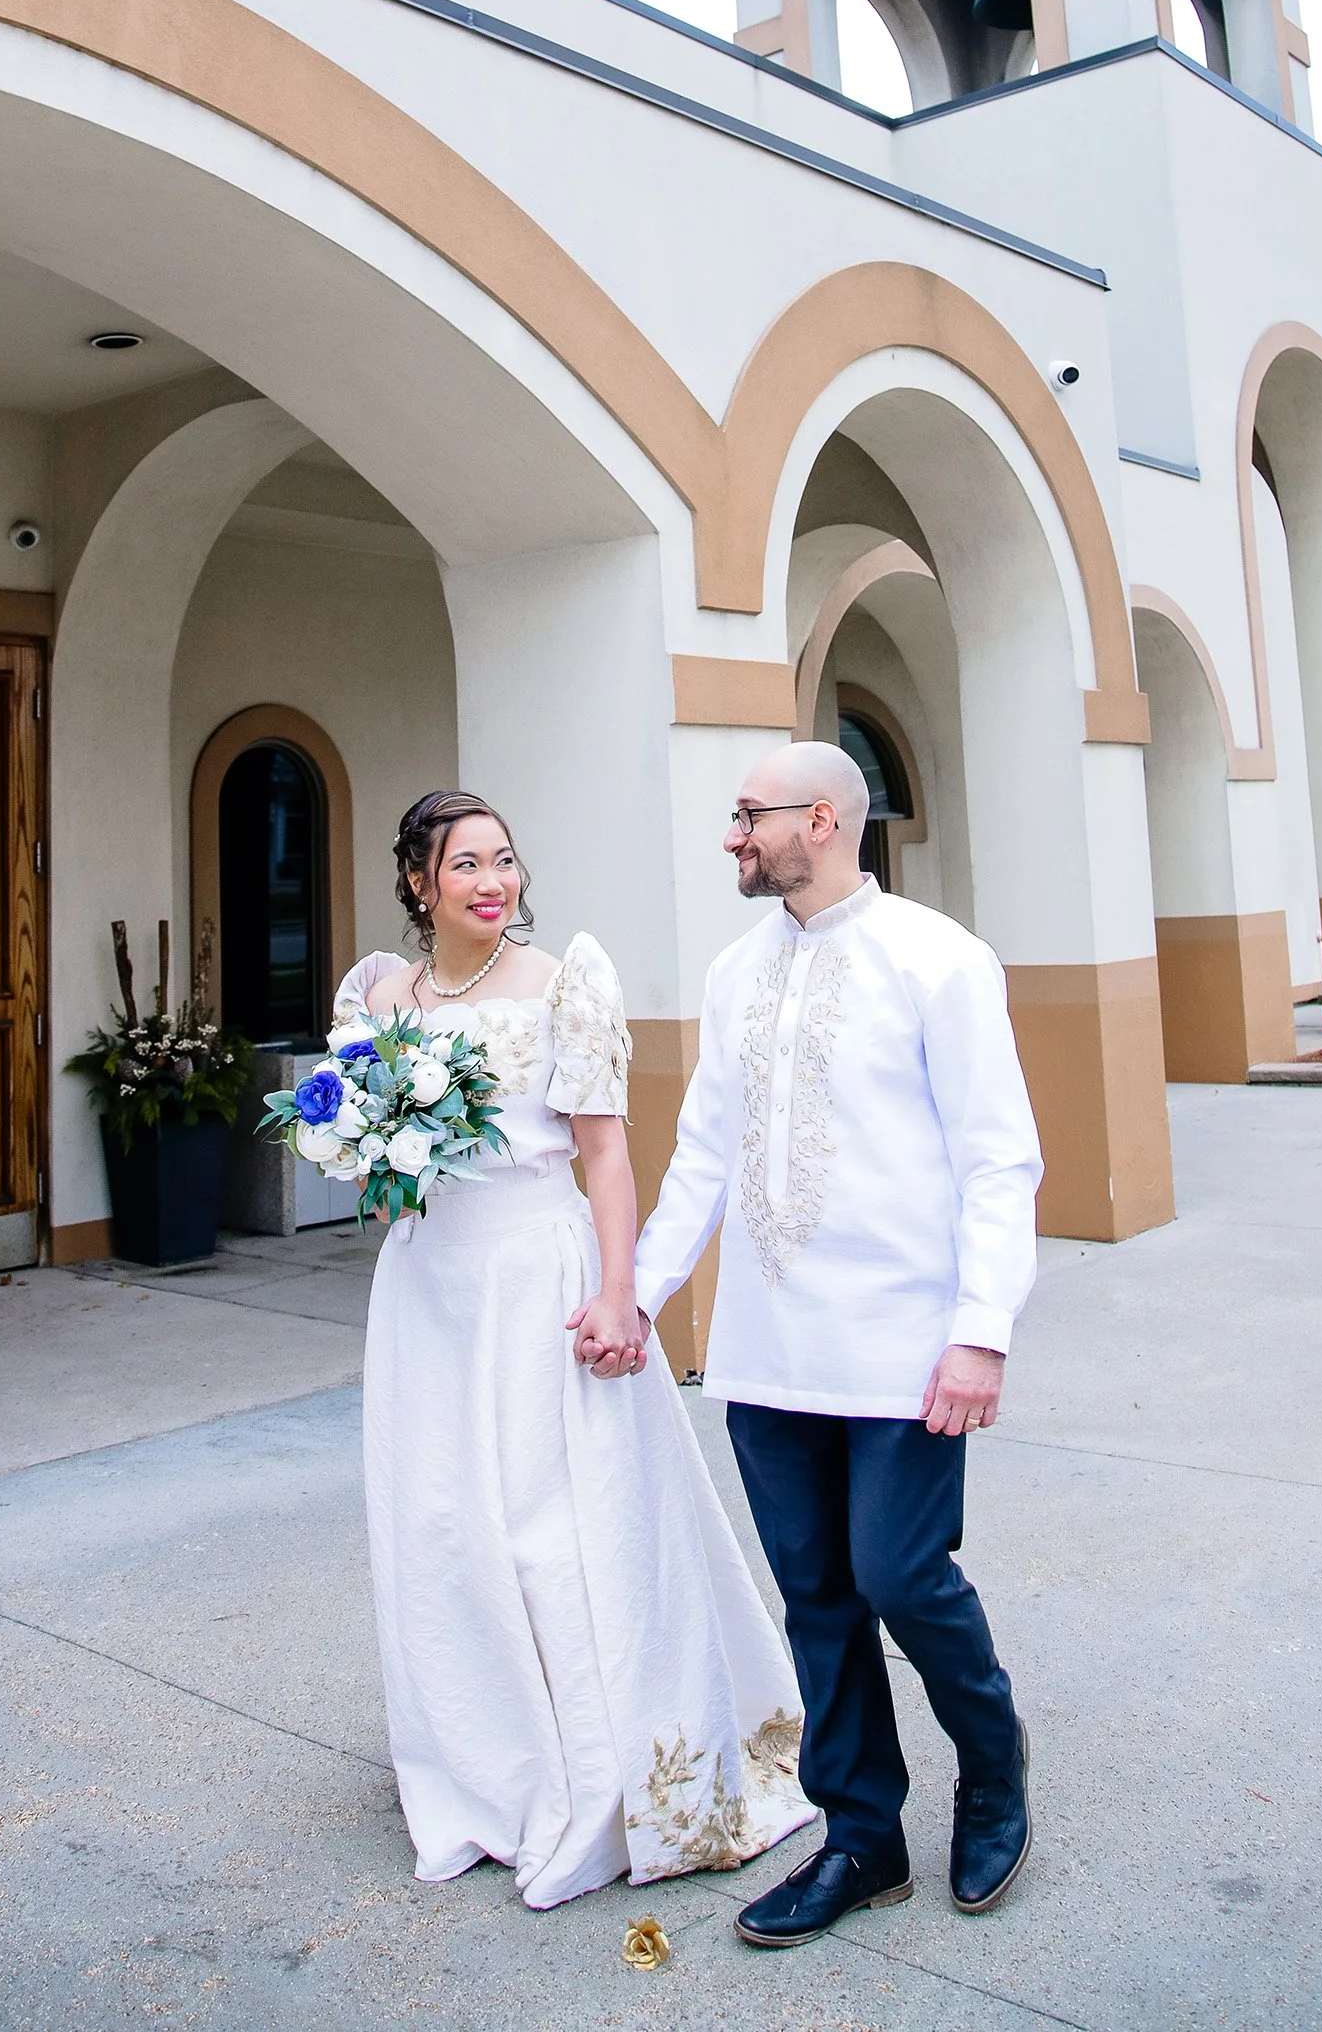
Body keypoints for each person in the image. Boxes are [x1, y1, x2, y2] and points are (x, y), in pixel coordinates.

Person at [336, 786, 813, 1911]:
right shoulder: (375, 995)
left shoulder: (564, 986)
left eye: (503, 860)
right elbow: (361, 1158)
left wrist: (619, 1295)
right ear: (418, 883)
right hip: (427, 1286)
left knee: (554, 1526)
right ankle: (487, 1764)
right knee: (446, 1518)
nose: (491, 881)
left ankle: (597, 1773)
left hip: (539, 1278)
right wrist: (361, 1140)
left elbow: (605, 1156)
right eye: (464, 865)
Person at [631, 741, 1043, 1949]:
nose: (731, 838)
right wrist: (640, 1292)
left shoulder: (939, 960)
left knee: (901, 1576)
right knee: (815, 1598)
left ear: (820, 819)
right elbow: (702, 1150)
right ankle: (860, 1837)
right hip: (767, 1355)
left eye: (745, 817)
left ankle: (992, 1759)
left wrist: (979, 1334)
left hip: (905, 1346)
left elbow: (996, 1159)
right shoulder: (729, 973)